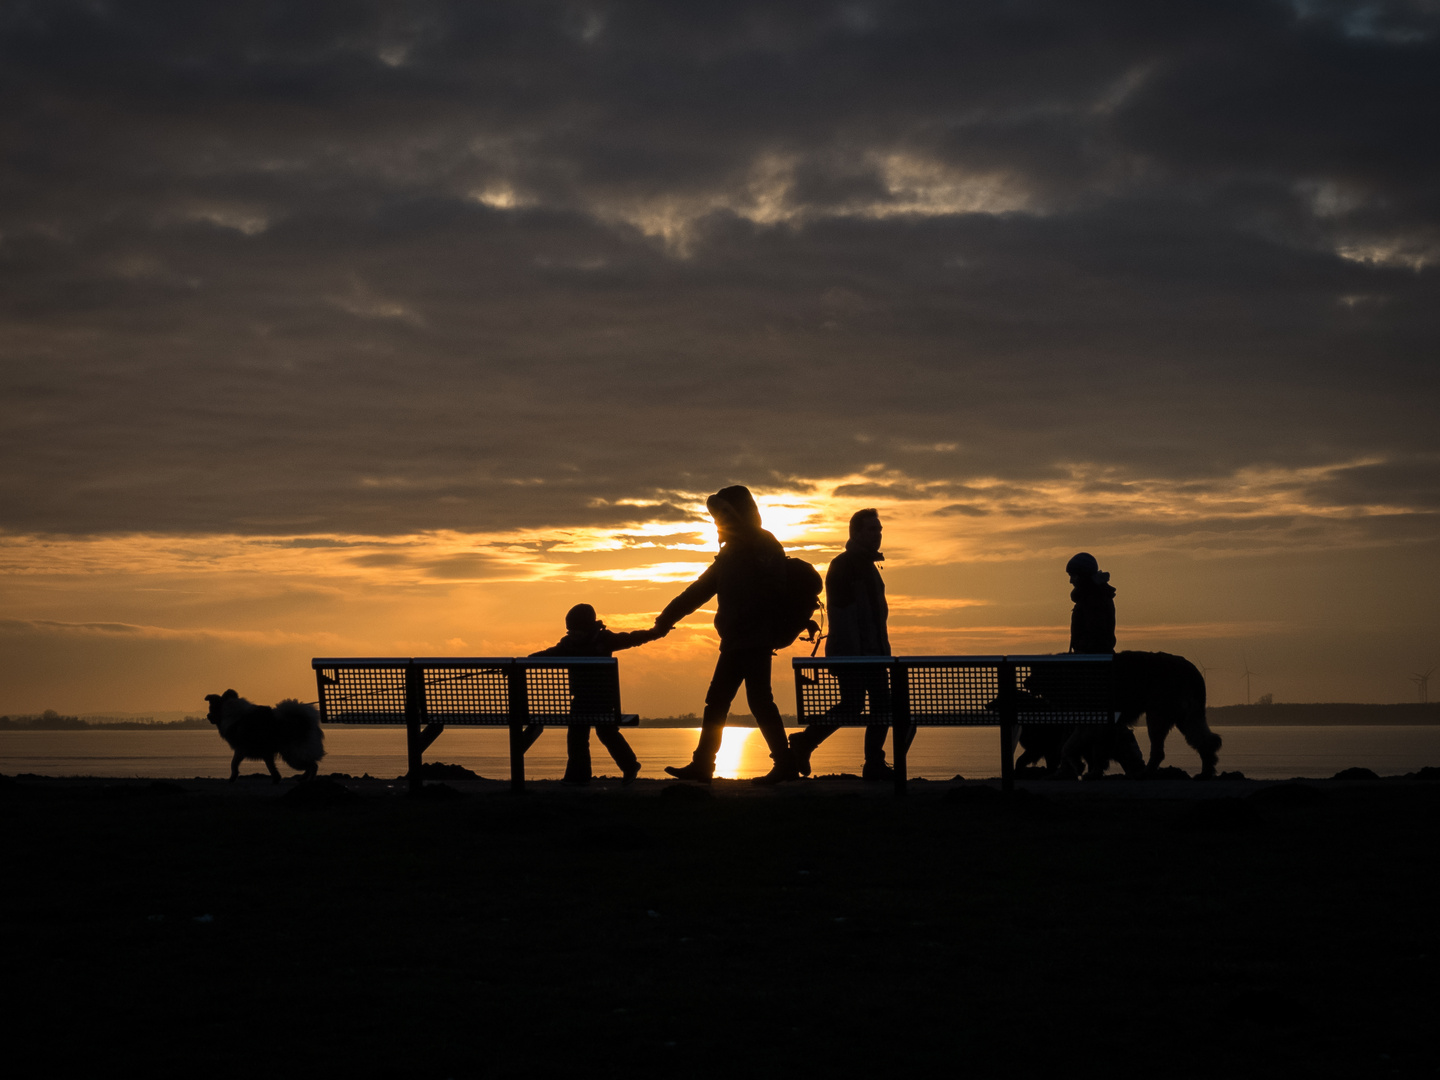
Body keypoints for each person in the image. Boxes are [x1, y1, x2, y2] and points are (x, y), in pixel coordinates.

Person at [655, 485, 801, 785]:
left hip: (753, 639)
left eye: (725, 514)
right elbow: (700, 590)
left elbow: (774, 591)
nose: (719, 521)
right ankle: (707, 765)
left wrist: (753, 623)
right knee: (736, 701)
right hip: (738, 639)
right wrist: (665, 619)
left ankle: (714, 765)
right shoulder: (731, 552)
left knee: (743, 701)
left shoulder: (762, 545)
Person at [788, 507, 907, 781]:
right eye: (871, 529)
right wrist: (856, 657)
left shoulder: (865, 565)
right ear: (856, 532)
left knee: (870, 705)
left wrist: (880, 653)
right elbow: (843, 615)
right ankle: (868, 762)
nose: (877, 534)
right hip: (856, 654)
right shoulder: (845, 565)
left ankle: (809, 744)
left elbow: (874, 617)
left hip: (871, 654)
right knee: (863, 705)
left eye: (879, 529)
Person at [529, 603, 666, 785]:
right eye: (571, 631)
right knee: (578, 736)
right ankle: (578, 776)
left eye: (576, 630)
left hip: (602, 700)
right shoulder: (570, 643)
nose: (573, 634)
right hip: (581, 700)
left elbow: (630, 638)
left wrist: (654, 633)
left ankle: (629, 765)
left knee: (605, 733)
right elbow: (548, 654)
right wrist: (527, 660)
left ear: (587, 627)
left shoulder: (603, 639)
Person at [1057, 551, 1143, 777]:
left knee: (1096, 719)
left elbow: (1098, 634)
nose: (1070, 580)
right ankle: (1106, 766)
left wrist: (1083, 651)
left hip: (1094, 666)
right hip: (1091, 663)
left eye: (1072, 574)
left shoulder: (1093, 598)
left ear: (1082, 575)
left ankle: (1085, 766)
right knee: (1097, 719)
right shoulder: (1092, 596)